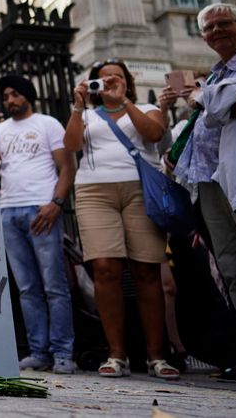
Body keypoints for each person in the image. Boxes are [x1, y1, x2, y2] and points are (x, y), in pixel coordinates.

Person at [63, 58, 179, 380]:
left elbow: (154, 133)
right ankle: (117, 354)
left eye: (117, 78)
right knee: (105, 268)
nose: (111, 83)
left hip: (140, 190)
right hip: (94, 191)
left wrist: (124, 102)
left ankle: (157, 356)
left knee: (146, 270)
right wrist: (77, 106)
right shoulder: (86, 114)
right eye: (104, 80)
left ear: (127, 81)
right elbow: (71, 145)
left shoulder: (145, 107)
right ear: (93, 86)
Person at [0, 74, 77, 374]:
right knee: (27, 288)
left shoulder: (48, 124)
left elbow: (67, 168)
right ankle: (39, 352)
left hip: (41, 209)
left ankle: (63, 352)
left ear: (28, 95)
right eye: (6, 95)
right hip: (8, 212)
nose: (10, 100)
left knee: (54, 285)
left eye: (15, 94)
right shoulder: (0, 131)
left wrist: (56, 204)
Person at [171, 3, 236, 383]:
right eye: (210, 27)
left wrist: (207, 96)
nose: (217, 30)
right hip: (209, 182)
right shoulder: (217, 73)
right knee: (232, 271)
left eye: (225, 23)